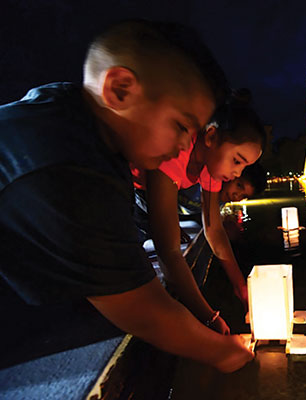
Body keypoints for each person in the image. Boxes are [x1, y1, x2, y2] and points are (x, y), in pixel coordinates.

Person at [0, 20, 254, 373]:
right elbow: (144, 309)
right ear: (120, 90)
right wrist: (222, 352)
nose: (185, 144)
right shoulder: (67, 168)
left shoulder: (74, 119)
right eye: (181, 126)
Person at [132, 101, 266, 334]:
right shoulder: (176, 151)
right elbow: (168, 251)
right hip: (119, 187)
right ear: (211, 136)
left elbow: (213, 229)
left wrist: (240, 286)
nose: (237, 172)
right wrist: (208, 317)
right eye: (237, 160)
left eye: (244, 167)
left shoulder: (209, 167)